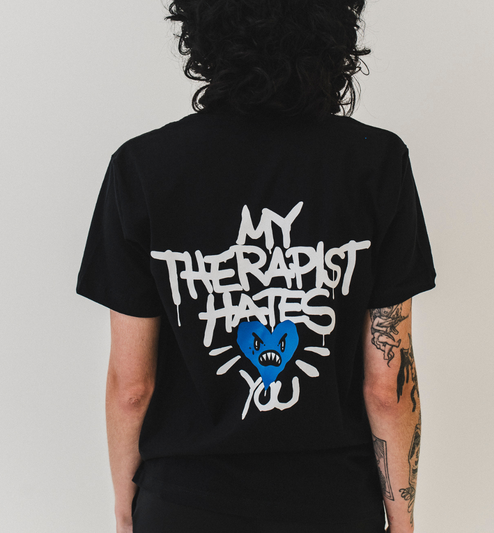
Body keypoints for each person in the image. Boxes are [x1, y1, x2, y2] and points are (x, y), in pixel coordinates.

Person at [76, 1, 436, 532]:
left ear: (202, 31)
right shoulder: (377, 162)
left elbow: (131, 387)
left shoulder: (144, 167)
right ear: (333, 29)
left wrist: (127, 509)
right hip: (332, 503)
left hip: (184, 504)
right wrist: (402, 522)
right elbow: (387, 386)